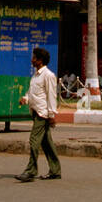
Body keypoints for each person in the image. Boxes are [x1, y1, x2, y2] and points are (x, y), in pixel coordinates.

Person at [16, 46, 61, 181]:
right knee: (46, 143)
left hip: (43, 113)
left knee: (34, 140)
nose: (32, 60)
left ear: (40, 60)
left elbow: (51, 96)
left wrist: (52, 115)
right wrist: (25, 99)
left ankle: (31, 171)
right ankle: (55, 170)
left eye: (34, 58)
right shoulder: (35, 76)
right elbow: (33, 93)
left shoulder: (48, 75)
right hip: (36, 111)